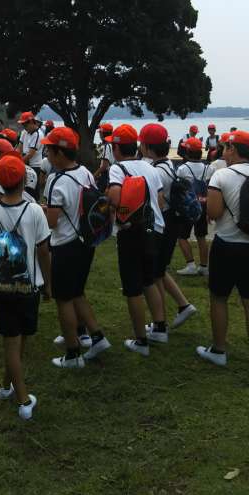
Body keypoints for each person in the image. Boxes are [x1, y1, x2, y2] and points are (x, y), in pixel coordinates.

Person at [0, 155, 51, 420]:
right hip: (29, 287)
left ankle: (5, 385)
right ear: (23, 181)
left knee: (14, 339)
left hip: (1, 287)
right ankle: (23, 401)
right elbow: (44, 252)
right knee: (16, 341)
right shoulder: (35, 212)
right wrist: (48, 285)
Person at [197, 130, 249, 374]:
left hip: (227, 245)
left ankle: (218, 350)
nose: (222, 150)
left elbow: (213, 213)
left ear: (232, 149)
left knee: (219, 298)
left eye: (225, 147)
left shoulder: (221, 175)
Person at [43, 127, 111, 367]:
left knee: (63, 299)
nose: (47, 154)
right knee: (77, 292)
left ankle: (72, 353)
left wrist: (39, 211)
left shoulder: (55, 180)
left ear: (60, 153)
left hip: (64, 245)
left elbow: (52, 222)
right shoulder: (86, 173)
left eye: (49, 150)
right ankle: (97, 337)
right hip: (86, 242)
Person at [107, 124, 167, 356]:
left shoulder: (118, 168)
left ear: (116, 148)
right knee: (149, 280)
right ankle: (160, 329)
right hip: (155, 229)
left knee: (133, 288)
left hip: (132, 232)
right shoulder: (150, 167)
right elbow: (160, 201)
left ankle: (141, 341)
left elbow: (114, 198)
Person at [139, 124, 197, 329]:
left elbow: (159, 203)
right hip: (172, 223)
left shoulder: (155, 171)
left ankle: (159, 323)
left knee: (154, 275)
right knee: (159, 271)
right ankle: (183, 305)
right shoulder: (168, 165)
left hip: (163, 226)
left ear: (147, 147)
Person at [176, 137, 209, 276]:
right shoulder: (209, 168)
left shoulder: (182, 169)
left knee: (182, 236)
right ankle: (204, 267)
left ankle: (190, 265)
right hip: (203, 205)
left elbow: (178, 188)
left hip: (188, 207)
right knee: (201, 236)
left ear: (187, 152)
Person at [17, 112, 43, 200]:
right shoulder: (24, 132)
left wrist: (17, 163)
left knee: (32, 192)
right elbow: (19, 148)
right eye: (23, 125)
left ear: (32, 122)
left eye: (25, 124)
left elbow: (30, 154)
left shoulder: (38, 134)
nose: (24, 127)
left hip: (34, 166)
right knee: (23, 191)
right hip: (25, 163)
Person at [94, 123, 114, 192]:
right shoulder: (114, 144)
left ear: (102, 134)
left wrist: (94, 176)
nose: (99, 134)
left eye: (100, 133)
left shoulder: (106, 146)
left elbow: (104, 166)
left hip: (106, 175)